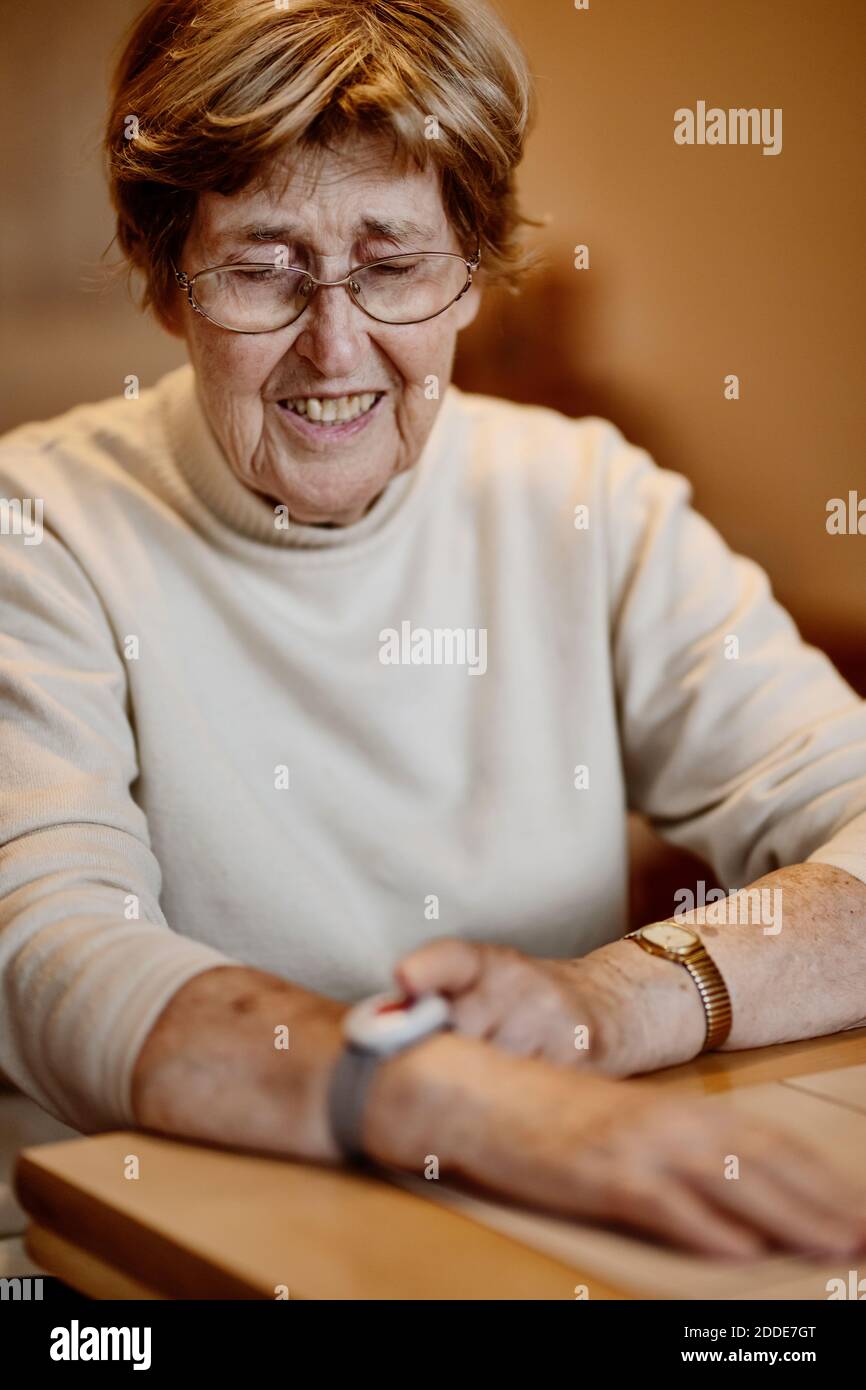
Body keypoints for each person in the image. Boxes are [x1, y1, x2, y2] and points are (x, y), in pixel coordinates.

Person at [1, 0, 865, 1258]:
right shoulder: (40, 523)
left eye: (394, 264)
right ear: (165, 281)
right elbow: (49, 955)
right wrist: (443, 1098)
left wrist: (614, 1003)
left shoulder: (588, 499)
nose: (335, 348)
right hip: (152, 1252)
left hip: (529, 1210)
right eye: (261, 266)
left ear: (472, 272)